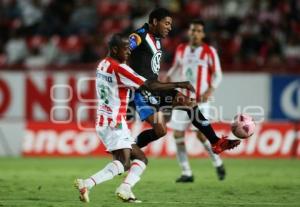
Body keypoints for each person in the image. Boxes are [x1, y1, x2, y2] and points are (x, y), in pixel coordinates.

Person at [74, 33, 194, 203]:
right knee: (123, 164)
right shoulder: (120, 68)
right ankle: (87, 183)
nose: (129, 52)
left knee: (141, 159)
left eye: (130, 49)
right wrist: (179, 85)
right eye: (125, 49)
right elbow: (150, 85)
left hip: (104, 120)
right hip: (114, 123)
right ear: (115, 50)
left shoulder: (102, 64)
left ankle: (125, 189)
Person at [128, 8, 240, 154]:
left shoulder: (156, 39)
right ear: (155, 22)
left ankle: (216, 142)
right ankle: (127, 148)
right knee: (161, 130)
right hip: (141, 92)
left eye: (170, 24)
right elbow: (123, 49)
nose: (169, 27)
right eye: (167, 23)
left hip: (155, 88)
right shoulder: (140, 35)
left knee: (188, 104)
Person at [166, 20, 225, 183]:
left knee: (201, 135)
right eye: (193, 30)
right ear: (189, 32)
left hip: (201, 100)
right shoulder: (181, 49)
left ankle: (217, 162)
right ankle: (186, 172)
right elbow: (175, 67)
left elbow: (218, 74)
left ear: (203, 34)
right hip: (182, 99)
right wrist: (168, 78)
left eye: (199, 31)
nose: (195, 33)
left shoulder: (209, 51)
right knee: (178, 135)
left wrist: (210, 90)